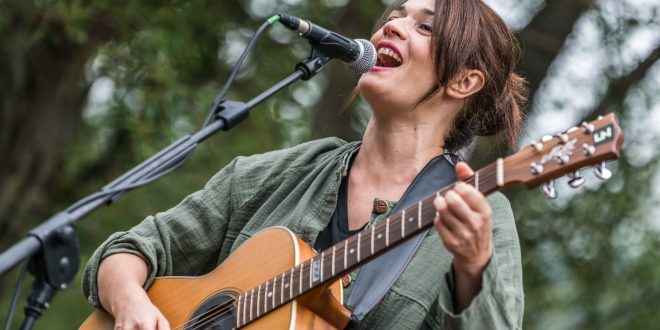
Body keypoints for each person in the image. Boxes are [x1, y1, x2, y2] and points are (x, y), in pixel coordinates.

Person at [82, 0, 526, 328]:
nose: (393, 26)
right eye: (394, 15)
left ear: (465, 80)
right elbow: (130, 249)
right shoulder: (276, 175)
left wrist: (473, 265)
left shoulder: (478, 213)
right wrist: (130, 306)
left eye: (425, 27)